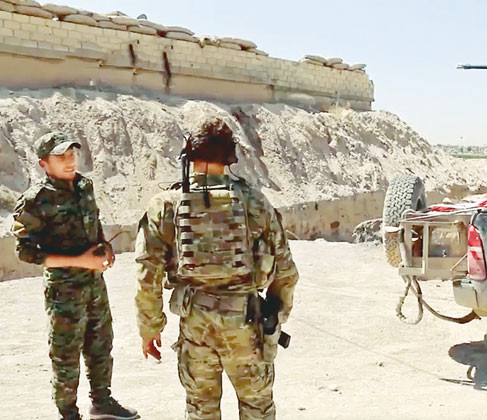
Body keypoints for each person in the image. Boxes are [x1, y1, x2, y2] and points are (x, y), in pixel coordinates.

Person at [135, 117, 298, 420]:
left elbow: (148, 274)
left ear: (188, 154)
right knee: (258, 409)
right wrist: (275, 317)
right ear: (231, 156)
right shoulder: (255, 203)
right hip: (246, 325)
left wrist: (150, 328)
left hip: (195, 325)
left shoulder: (166, 205)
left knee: (201, 410)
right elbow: (286, 272)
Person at [11, 132, 139, 420]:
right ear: (43, 163)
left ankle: (102, 401)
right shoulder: (35, 200)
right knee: (66, 355)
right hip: (64, 289)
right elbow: (25, 252)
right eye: (61, 157)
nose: (70, 161)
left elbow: (92, 223)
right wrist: (78, 261)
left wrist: (104, 247)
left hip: (94, 283)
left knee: (101, 345)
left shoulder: (84, 186)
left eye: (72, 154)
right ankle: (68, 413)